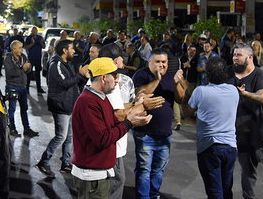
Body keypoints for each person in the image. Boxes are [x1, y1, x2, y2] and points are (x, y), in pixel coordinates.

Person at [71, 57, 152, 199]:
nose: (117, 80)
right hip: (92, 176)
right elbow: (103, 138)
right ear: (103, 78)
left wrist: (133, 119)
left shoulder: (101, 97)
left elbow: (114, 123)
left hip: (99, 172)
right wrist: (129, 123)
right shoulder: (88, 102)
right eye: (115, 76)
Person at [99, 43, 165, 199]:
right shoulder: (105, 83)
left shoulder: (119, 80)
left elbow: (124, 105)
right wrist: (142, 105)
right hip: (108, 143)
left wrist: (137, 103)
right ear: (114, 61)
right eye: (120, 59)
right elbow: (116, 114)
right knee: (114, 182)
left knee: (116, 181)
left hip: (117, 142)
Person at [180, 57, 239, 199]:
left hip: (209, 146)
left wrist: (186, 90)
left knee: (214, 191)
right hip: (230, 147)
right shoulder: (233, 91)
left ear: (207, 74)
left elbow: (187, 112)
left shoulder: (200, 91)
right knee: (226, 189)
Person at [132, 48, 184, 199]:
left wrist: (176, 84)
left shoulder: (170, 77)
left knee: (158, 169)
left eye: (164, 62)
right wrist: (156, 80)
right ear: (150, 61)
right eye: (157, 62)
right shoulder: (141, 74)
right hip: (145, 132)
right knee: (144, 169)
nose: (161, 65)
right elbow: (139, 94)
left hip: (164, 133)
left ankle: (154, 195)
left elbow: (179, 100)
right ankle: (143, 197)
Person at [36, 39, 89, 177]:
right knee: (61, 136)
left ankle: (66, 163)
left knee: (69, 137)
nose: (74, 51)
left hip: (68, 104)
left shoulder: (65, 63)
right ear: (64, 50)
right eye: (71, 49)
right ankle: (44, 162)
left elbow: (72, 83)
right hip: (60, 106)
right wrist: (80, 75)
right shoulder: (56, 64)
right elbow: (64, 83)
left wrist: (82, 77)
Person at [227, 43, 263, 199]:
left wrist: (245, 94)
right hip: (228, 134)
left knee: (248, 175)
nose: (235, 58)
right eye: (234, 55)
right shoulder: (227, 73)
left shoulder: (261, 75)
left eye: (239, 55)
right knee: (225, 173)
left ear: (250, 57)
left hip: (252, 134)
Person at [3, 40, 39, 138]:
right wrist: (22, 69)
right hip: (12, 87)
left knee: (24, 108)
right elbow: (11, 73)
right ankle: (12, 128)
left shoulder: (23, 57)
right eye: (19, 48)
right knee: (12, 109)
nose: (21, 49)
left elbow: (29, 69)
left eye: (22, 47)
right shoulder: (8, 59)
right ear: (14, 49)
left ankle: (26, 129)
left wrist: (28, 68)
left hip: (22, 87)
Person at [25, 26, 46, 93]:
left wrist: (41, 42)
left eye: (35, 30)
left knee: (38, 74)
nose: (34, 32)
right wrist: (32, 43)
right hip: (31, 58)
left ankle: (39, 88)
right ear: (31, 31)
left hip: (38, 58)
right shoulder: (28, 38)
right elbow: (26, 47)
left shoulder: (40, 38)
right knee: (29, 73)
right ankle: (27, 88)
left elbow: (44, 46)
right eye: (33, 30)